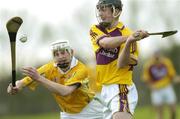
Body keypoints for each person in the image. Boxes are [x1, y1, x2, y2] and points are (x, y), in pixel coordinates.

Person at [7, 40, 103, 119]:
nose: (60, 57)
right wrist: (15, 87)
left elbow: (66, 91)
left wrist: (39, 78)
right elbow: (22, 83)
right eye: (56, 54)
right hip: (67, 114)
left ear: (71, 52)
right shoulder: (49, 68)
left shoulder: (81, 69)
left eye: (63, 53)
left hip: (91, 111)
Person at [89, 0, 149, 118]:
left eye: (104, 10)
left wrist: (129, 41)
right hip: (105, 89)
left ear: (116, 11)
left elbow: (121, 64)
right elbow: (105, 43)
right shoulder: (96, 29)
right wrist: (129, 38)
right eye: (99, 9)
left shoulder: (128, 35)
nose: (100, 13)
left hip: (121, 87)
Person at [142, 51, 177, 119]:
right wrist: (151, 86)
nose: (157, 59)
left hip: (167, 87)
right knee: (160, 112)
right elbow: (146, 79)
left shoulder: (166, 62)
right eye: (155, 58)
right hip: (156, 89)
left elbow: (172, 75)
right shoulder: (148, 65)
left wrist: (175, 79)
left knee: (173, 109)